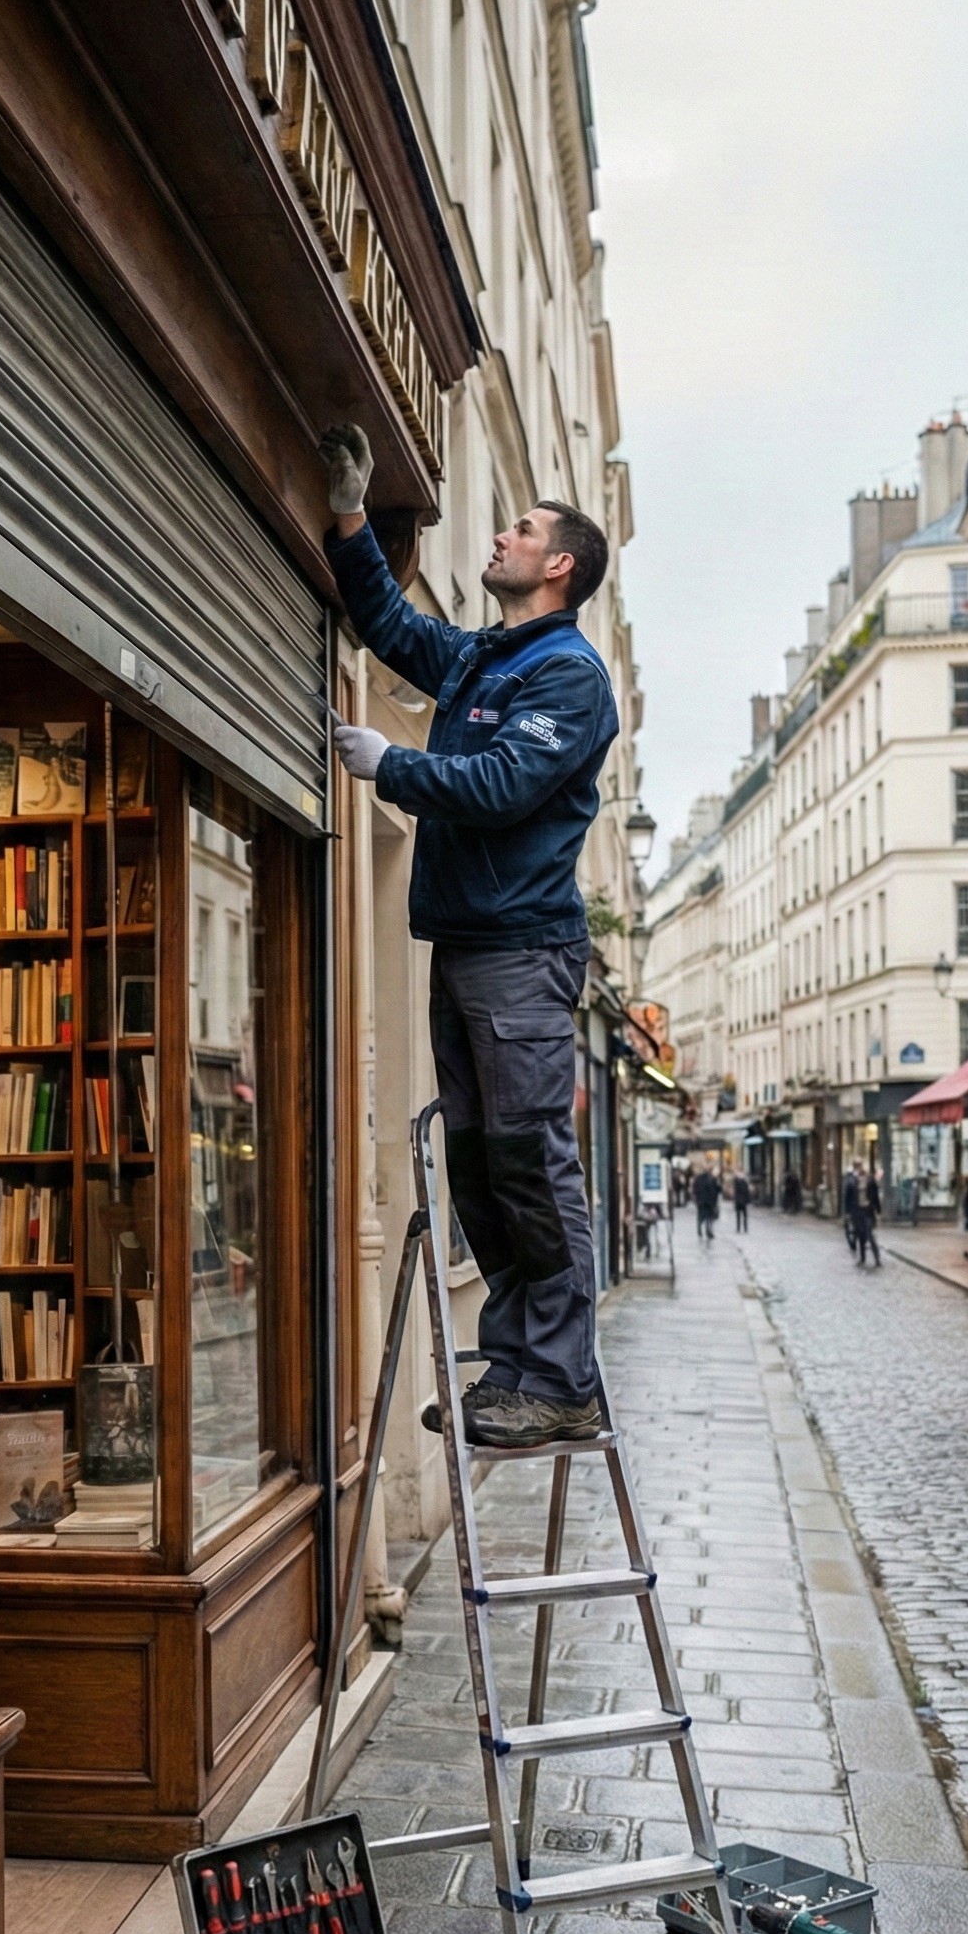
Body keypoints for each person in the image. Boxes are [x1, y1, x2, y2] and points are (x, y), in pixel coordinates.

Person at [320, 423, 616, 1448]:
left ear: (558, 565)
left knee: (530, 1162)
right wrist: (352, 517)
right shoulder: (490, 659)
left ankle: (561, 1379)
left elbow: (499, 786)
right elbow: (393, 629)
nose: (499, 534)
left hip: (520, 953)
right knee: (484, 1168)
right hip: (467, 945)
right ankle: (517, 1371)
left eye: (520, 529)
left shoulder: (565, 678)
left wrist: (385, 766)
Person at [851, 1183, 881, 1269]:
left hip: (867, 1216)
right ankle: (863, 1258)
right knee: (861, 1238)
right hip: (860, 1215)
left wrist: (877, 1212)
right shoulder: (856, 1190)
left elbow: (875, 1201)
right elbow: (853, 1203)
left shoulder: (870, 1189)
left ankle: (877, 1259)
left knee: (870, 1237)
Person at [692, 1165, 721, 1242]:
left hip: (701, 1201)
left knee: (701, 1216)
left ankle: (699, 1229)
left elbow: (694, 1189)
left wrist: (696, 1199)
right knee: (709, 1217)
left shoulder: (697, 1179)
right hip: (709, 1201)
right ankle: (708, 1231)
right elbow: (718, 1189)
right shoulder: (712, 1179)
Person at [841, 1165, 860, 1253]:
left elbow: (846, 1198)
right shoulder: (856, 1181)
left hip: (850, 1209)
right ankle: (854, 1242)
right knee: (855, 1227)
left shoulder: (848, 1183)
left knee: (847, 1228)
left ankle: (852, 1244)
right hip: (857, 1208)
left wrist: (846, 1211)